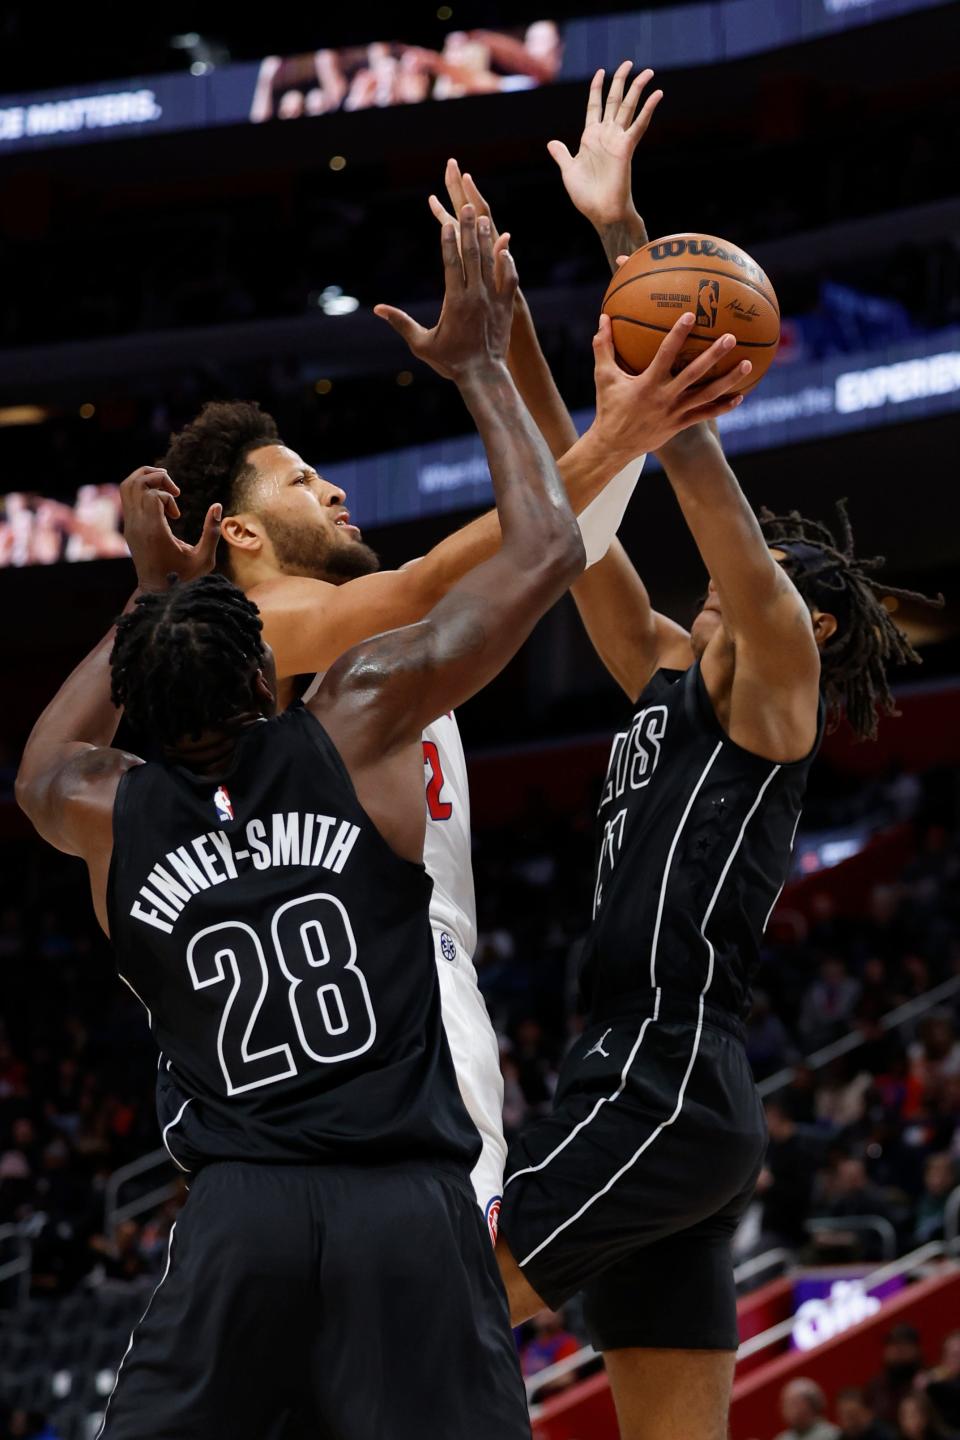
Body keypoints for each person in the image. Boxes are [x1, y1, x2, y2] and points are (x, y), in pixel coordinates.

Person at [15, 210, 581, 1439]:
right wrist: (483, 369)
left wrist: (147, 593)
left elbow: (40, 769)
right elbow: (543, 550)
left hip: (240, 1219)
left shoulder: (116, 812)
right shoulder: (356, 730)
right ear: (256, 659)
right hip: (405, 1207)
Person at [161, 175, 743, 1245]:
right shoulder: (255, 638)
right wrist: (616, 430)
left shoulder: (346, 630)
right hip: (378, 979)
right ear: (237, 536)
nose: (332, 490)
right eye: (297, 483)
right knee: (445, 1322)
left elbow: (556, 550)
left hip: (380, 990)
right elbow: (459, 570)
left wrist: (591, 406)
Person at [491, 62, 941, 1440]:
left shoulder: (777, 689)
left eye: (746, 576)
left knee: (427, 1282)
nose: (716, 584)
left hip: (665, 1079)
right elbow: (571, 531)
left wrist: (631, 250)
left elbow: (696, 477)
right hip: (625, 1074)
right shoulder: (660, 680)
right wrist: (503, 322)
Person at [867, 1325, 928, 1425]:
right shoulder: (876, 1387)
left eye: (903, 1345)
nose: (898, 1351)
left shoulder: (929, 1380)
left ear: (916, 1349)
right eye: (893, 1345)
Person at [775, 1379, 841, 1440]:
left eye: (792, 1403)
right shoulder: (783, 1438)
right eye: (784, 1404)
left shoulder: (833, 1435)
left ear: (810, 1404)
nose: (785, 1409)